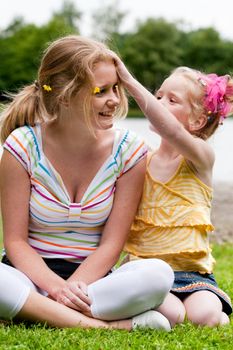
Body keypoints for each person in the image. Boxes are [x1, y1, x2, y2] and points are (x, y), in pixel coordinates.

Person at [0, 35, 174, 330]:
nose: (115, 100)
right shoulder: (23, 145)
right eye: (100, 91)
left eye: (116, 88)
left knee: (158, 275)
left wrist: (72, 288)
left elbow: (112, 244)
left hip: (92, 285)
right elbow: (15, 242)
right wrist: (55, 287)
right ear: (65, 95)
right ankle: (104, 326)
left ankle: (37, 312)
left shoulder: (129, 150)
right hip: (27, 275)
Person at [112, 56, 233, 327]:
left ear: (198, 120)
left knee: (205, 316)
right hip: (145, 272)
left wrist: (129, 81)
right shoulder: (141, 160)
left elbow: (175, 132)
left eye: (171, 100)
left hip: (192, 276)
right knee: (173, 315)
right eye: (158, 96)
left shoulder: (201, 157)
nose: (159, 105)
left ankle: (208, 311)